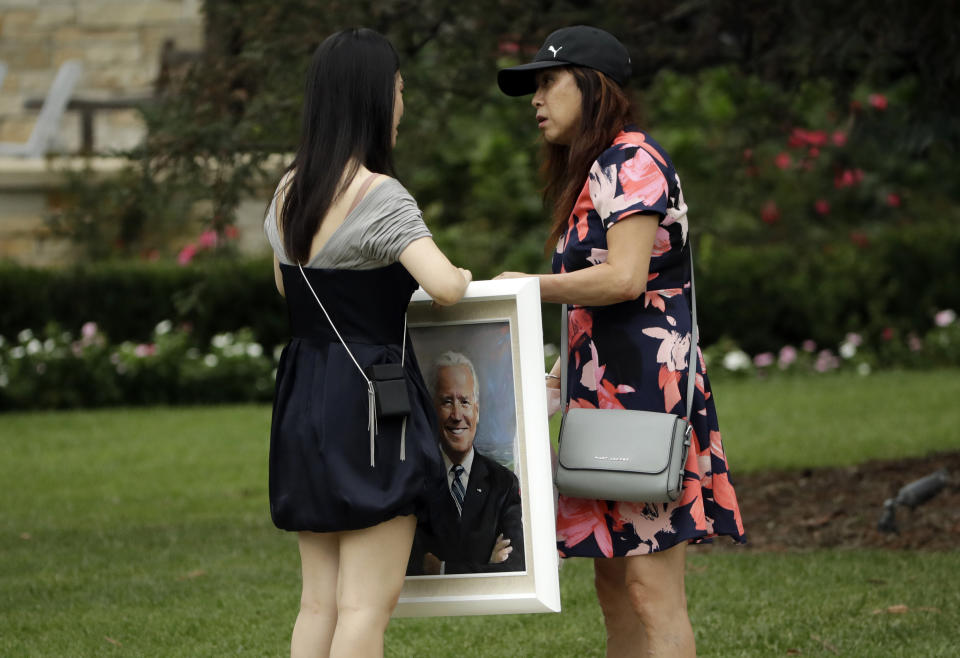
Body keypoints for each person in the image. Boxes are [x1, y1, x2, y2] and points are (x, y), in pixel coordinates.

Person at [496, 25, 746, 657]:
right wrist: (558, 376)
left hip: (646, 403)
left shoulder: (632, 162)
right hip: (605, 401)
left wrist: (525, 286)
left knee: (649, 587)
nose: (536, 99)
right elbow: (591, 304)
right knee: (614, 582)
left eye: (548, 82)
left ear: (591, 84)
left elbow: (624, 278)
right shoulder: (599, 170)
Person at [263, 28, 472, 658]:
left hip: (303, 398)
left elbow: (286, 288)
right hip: (373, 407)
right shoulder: (380, 196)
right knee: (363, 608)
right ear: (377, 98)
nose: (402, 102)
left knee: (318, 603)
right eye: (400, 88)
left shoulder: (287, 191)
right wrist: (459, 275)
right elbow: (444, 286)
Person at [408, 351, 525, 575]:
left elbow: (516, 567)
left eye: (464, 401)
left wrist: (442, 568)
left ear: (477, 410)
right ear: (432, 411)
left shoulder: (503, 483)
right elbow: (411, 566)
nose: (456, 414)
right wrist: (486, 561)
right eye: (446, 402)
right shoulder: (413, 482)